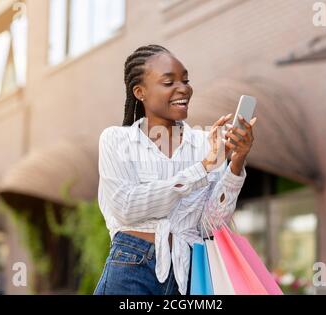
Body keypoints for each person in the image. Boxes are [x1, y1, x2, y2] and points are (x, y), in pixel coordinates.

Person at [94, 44, 256, 295]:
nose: (184, 88)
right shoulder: (117, 140)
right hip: (131, 268)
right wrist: (202, 169)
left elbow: (209, 225)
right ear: (140, 92)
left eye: (186, 80)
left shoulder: (205, 144)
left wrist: (235, 163)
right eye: (169, 82)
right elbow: (126, 207)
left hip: (188, 274)